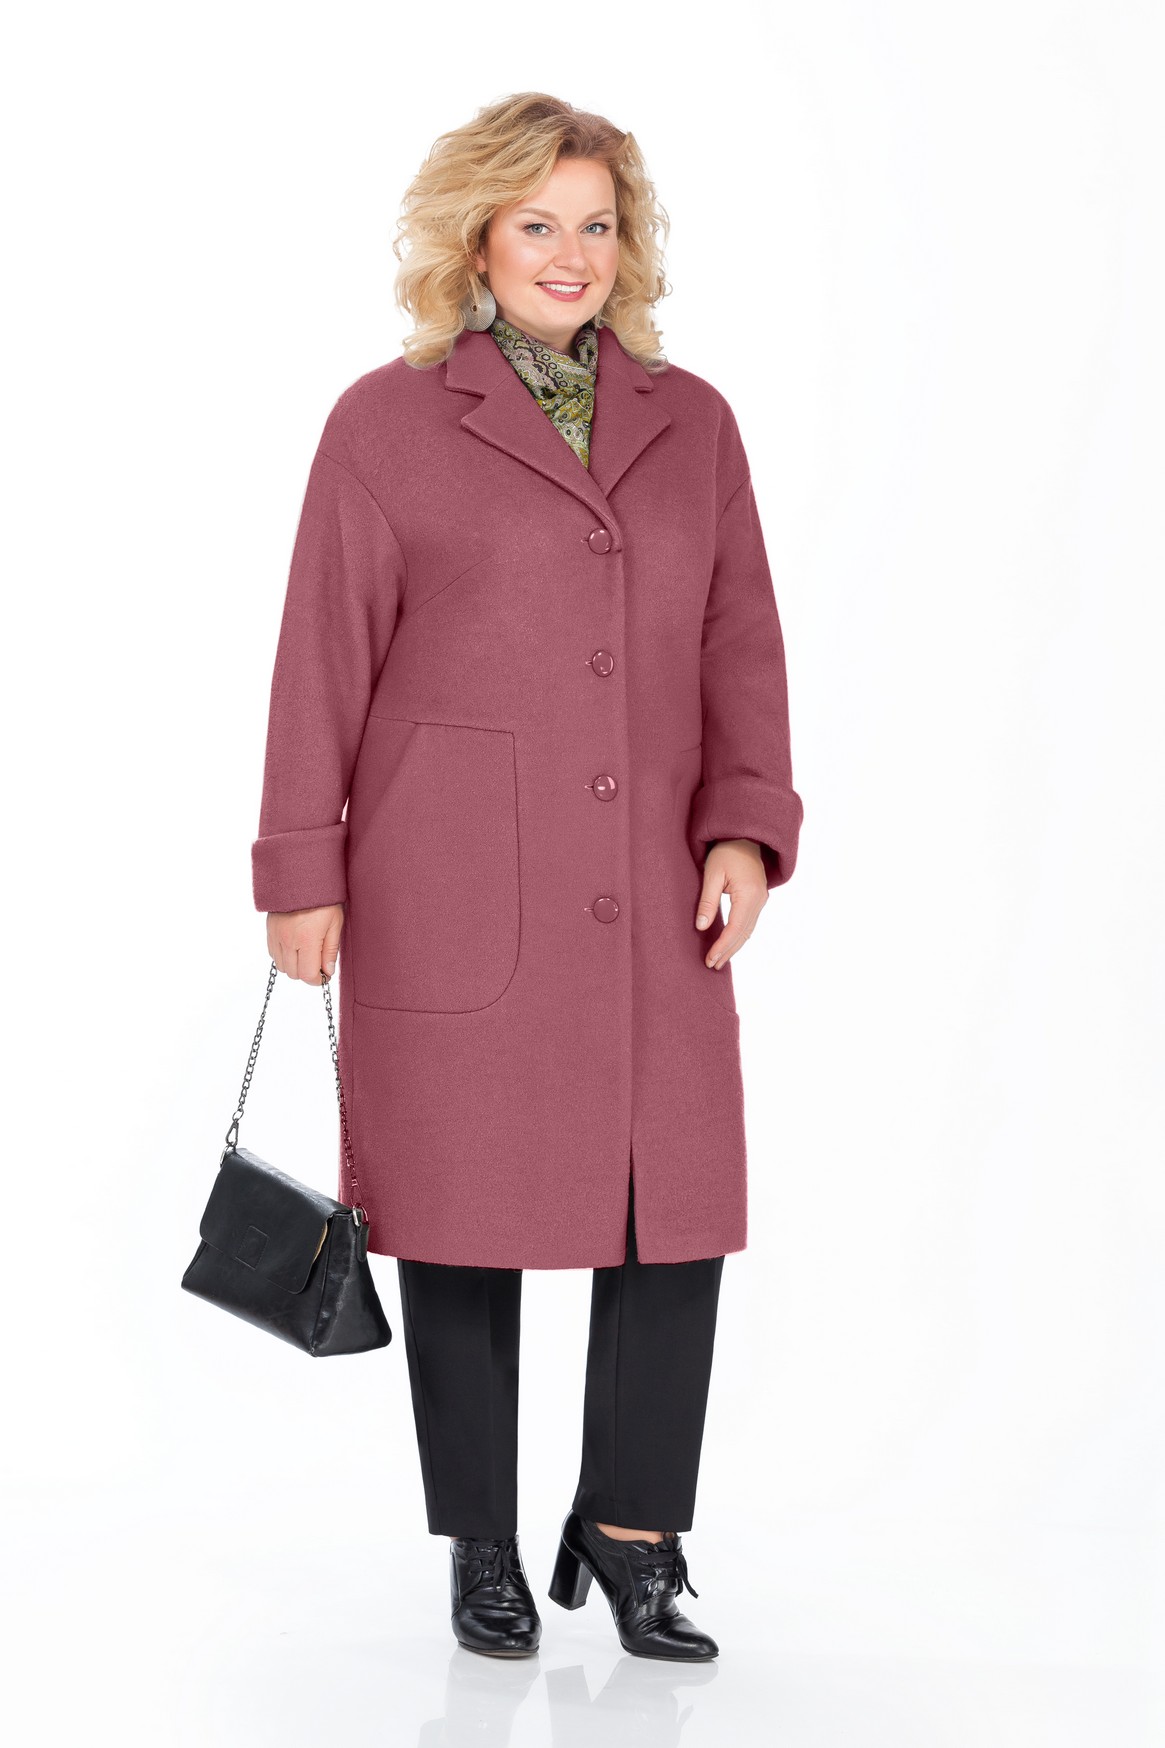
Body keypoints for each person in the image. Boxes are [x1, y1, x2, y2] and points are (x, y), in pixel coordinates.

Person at [250, 93, 804, 1662]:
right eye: (537, 223)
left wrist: (744, 822)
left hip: (653, 881)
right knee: (462, 1213)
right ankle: (480, 1543)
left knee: (668, 1210)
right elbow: (321, 652)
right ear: (477, 240)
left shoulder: (694, 422)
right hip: (447, 877)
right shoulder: (385, 422)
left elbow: (739, 636)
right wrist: (300, 867)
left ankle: (631, 1531)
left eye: (597, 224)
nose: (571, 253)